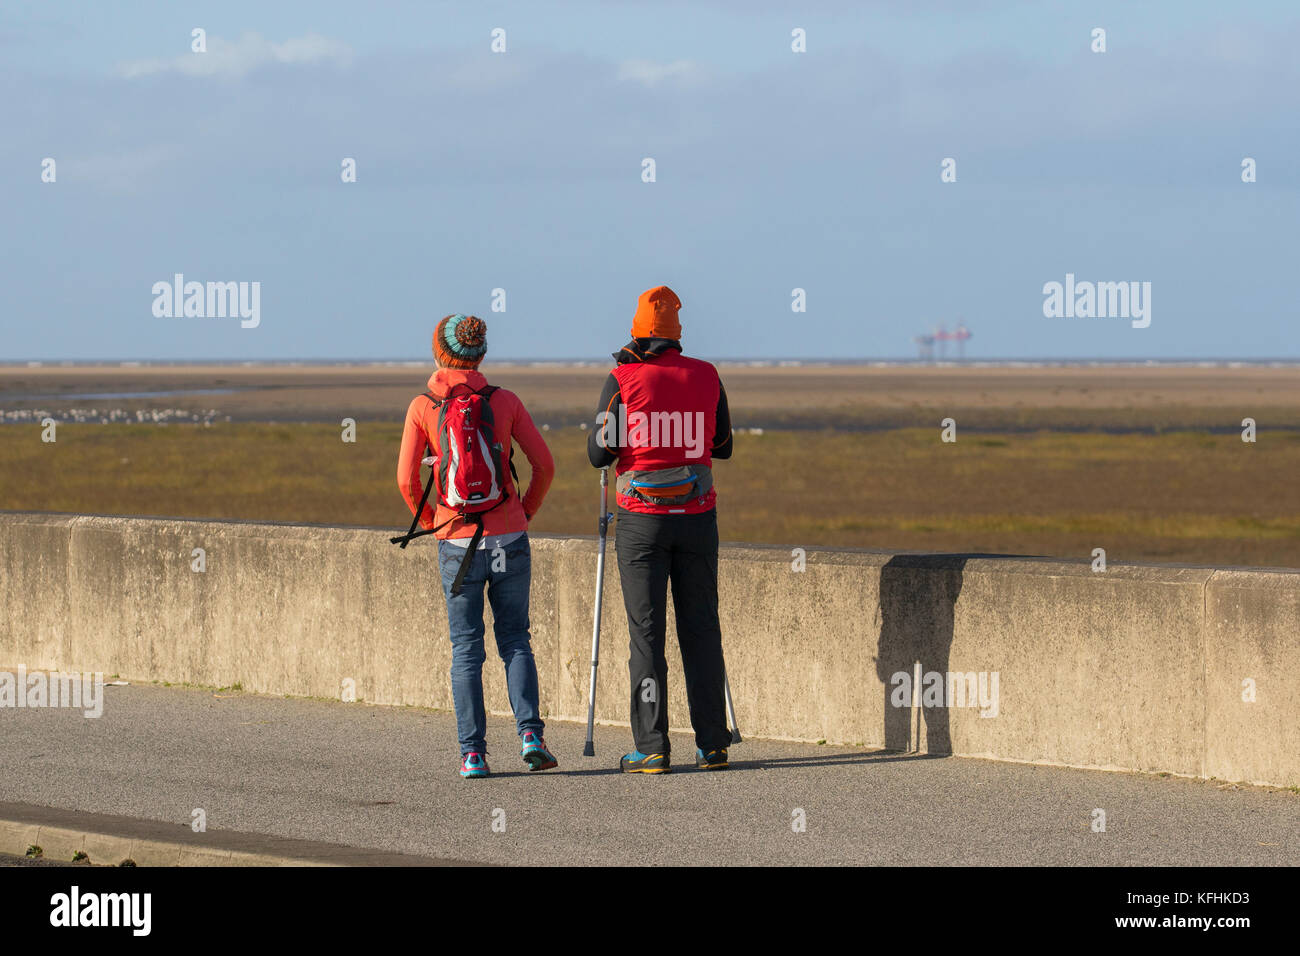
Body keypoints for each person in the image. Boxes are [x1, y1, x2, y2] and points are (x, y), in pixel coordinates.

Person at [398, 313, 557, 779]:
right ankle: (531, 736)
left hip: (456, 542)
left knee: (466, 650)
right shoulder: (505, 401)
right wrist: (523, 512)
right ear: (481, 355)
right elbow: (544, 465)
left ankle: (473, 755)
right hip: (509, 536)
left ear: (438, 354)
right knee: (515, 640)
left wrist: (435, 523)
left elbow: (406, 479)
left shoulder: (422, 406)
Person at [586, 286, 734, 774]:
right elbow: (723, 444)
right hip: (697, 519)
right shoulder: (707, 375)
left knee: (646, 637)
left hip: (641, 523)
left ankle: (651, 747)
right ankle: (713, 744)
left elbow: (598, 454)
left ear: (637, 331)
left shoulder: (622, 378)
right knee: (701, 630)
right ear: (677, 333)